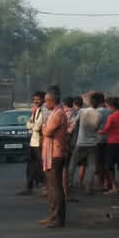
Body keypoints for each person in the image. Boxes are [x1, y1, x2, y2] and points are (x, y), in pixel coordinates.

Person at [39, 89, 68, 228]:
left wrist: (44, 127)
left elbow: (46, 132)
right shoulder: (55, 113)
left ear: (52, 101)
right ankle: (53, 216)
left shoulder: (58, 114)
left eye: (46, 101)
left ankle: (58, 218)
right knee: (52, 187)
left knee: (55, 187)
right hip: (51, 153)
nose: (45, 104)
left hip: (55, 154)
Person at [71, 93, 103, 194]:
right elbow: (97, 128)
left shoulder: (82, 111)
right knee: (91, 167)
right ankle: (88, 188)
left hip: (81, 142)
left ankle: (68, 185)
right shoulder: (99, 114)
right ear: (99, 103)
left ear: (89, 102)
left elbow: (75, 123)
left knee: (73, 164)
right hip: (93, 143)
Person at [99, 96, 119, 195]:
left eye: (108, 106)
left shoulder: (112, 117)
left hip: (112, 143)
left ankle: (114, 187)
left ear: (112, 107)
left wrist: (99, 132)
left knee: (109, 166)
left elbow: (106, 129)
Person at [17, 92, 46, 196]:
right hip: (33, 141)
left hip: (40, 142)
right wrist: (32, 125)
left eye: (38, 99)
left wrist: (32, 125)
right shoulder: (36, 110)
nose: (35, 101)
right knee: (31, 166)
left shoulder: (43, 110)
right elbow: (28, 124)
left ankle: (44, 188)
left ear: (43, 99)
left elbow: (36, 127)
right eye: (34, 99)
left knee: (41, 166)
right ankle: (29, 187)